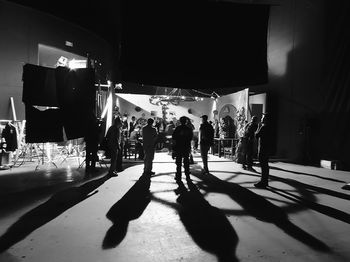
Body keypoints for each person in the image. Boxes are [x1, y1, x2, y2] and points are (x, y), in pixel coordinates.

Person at [172, 116, 193, 181]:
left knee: (178, 162)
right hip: (186, 147)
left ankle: (178, 176)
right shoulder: (188, 129)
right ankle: (187, 176)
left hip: (178, 147)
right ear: (186, 121)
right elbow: (190, 138)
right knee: (186, 161)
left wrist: (173, 149)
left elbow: (174, 138)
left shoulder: (177, 128)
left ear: (180, 121)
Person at [254, 113, 271, 188]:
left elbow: (256, 135)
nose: (261, 118)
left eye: (263, 117)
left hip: (262, 149)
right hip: (267, 148)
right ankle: (265, 181)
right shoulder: (269, 127)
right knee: (266, 165)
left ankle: (263, 182)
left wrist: (258, 127)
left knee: (263, 166)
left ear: (265, 119)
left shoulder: (263, 127)